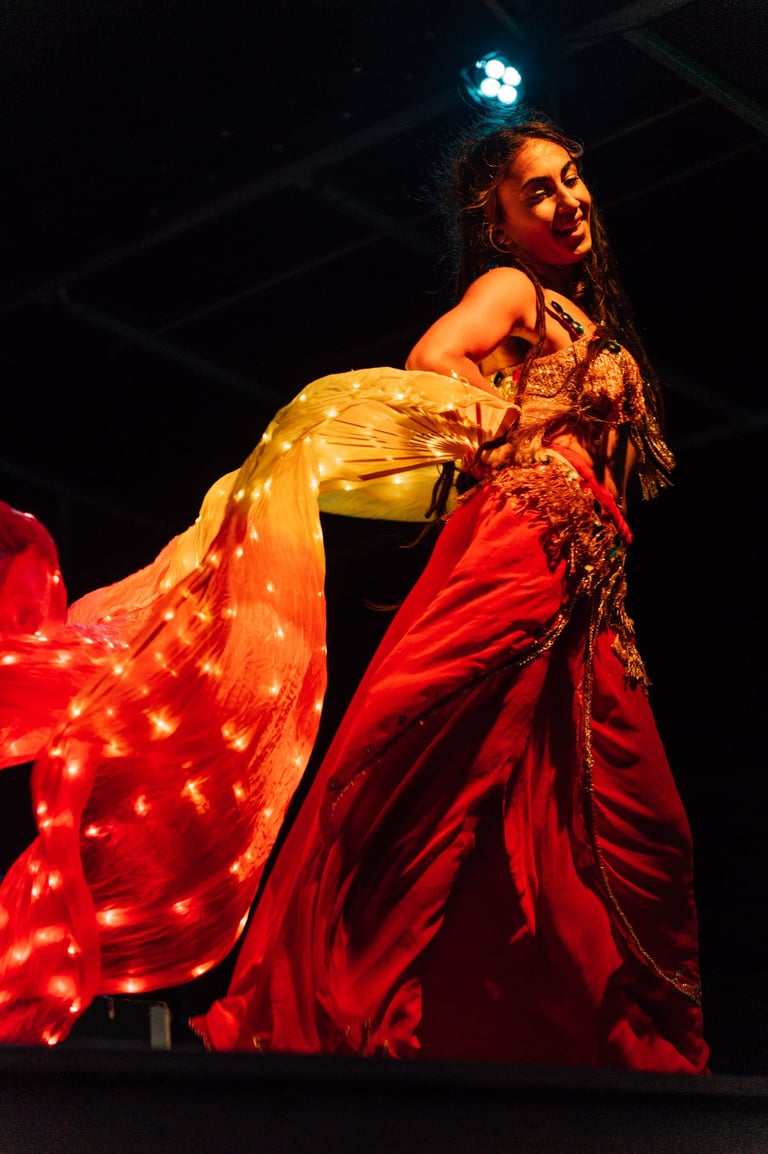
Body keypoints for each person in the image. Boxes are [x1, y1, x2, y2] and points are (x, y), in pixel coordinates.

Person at [0, 113, 707, 1072]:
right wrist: (516, 430)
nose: (566, 200)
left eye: (570, 177)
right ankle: (341, 1003)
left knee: (603, 816)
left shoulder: (582, 314)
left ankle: (580, 1049)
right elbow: (431, 360)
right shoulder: (512, 289)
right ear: (498, 223)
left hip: (590, 596)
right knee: (427, 755)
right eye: (536, 190)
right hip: (528, 546)